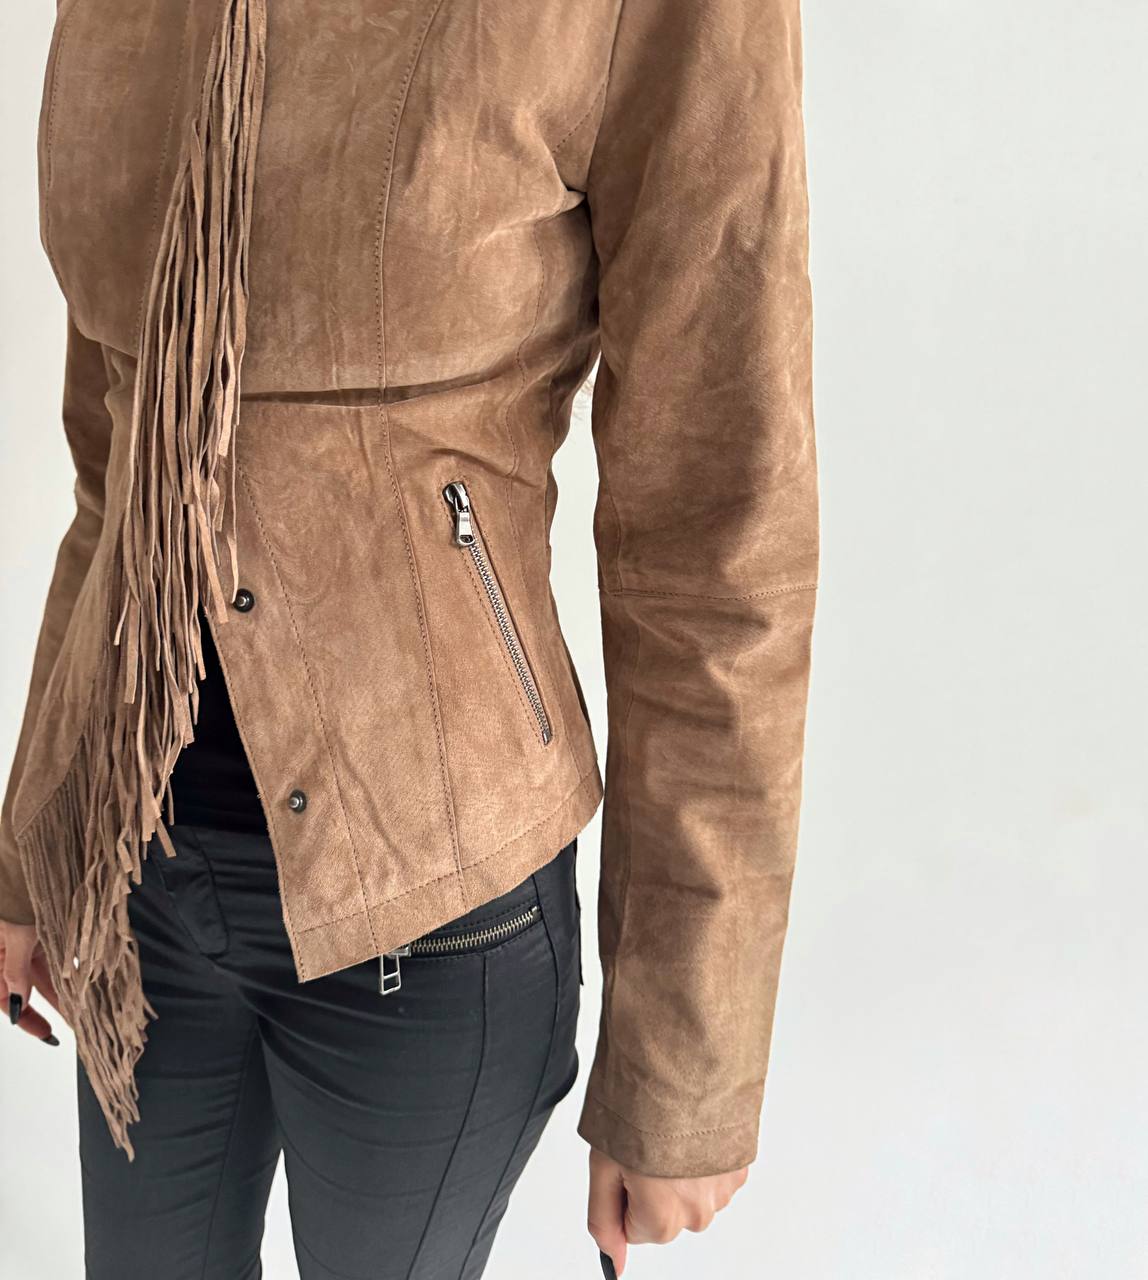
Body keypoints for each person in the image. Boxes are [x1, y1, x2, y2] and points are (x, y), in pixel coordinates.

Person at [0, 0, 818, 1276]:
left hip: (432, 905)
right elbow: (116, 464)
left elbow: (715, 527)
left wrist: (686, 1063)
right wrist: (30, 851)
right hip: (135, 873)